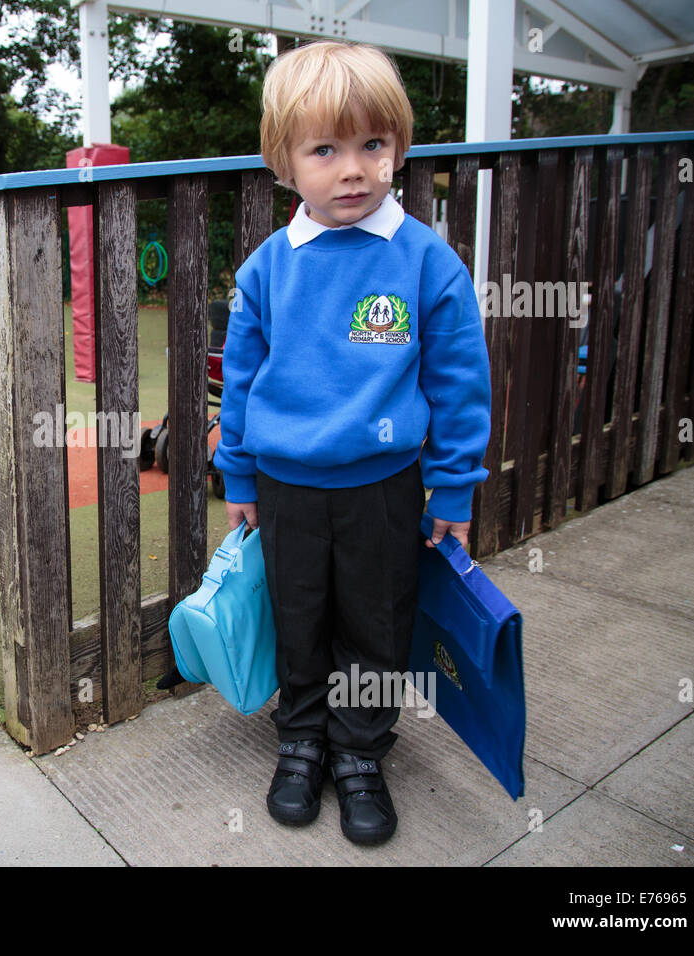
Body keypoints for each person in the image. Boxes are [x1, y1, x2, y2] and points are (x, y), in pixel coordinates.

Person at [213, 40, 491, 846]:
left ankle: (362, 751)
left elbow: (459, 384)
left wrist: (455, 487)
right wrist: (238, 474)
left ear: (398, 148)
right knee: (299, 617)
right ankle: (301, 740)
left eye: (373, 145)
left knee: (374, 624)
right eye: (326, 149)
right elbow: (240, 379)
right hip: (286, 487)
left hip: (385, 487)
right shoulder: (268, 269)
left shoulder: (426, 262)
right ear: (283, 161)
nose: (354, 170)